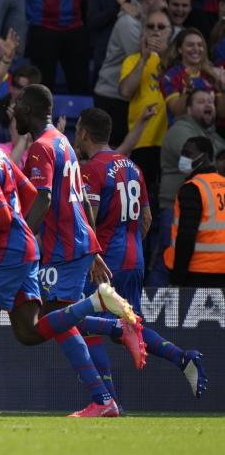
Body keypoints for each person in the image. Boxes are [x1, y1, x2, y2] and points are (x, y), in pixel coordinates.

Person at [0, 105, 140, 420]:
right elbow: (30, 192)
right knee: (28, 333)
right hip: (24, 249)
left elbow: (3, 214)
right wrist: (20, 228)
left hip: (8, 253)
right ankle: (101, 312)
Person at [13, 84, 147, 397]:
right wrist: (94, 249)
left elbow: (43, 198)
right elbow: (84, 202)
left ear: (29, 110)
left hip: (63, 247)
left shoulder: (40, 147)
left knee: (47, 319)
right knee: (56, 320)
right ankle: (103, 399)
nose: (13, 111)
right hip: (78, 244)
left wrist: (22, 239)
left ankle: (111, 321)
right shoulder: (62, 142)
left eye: (17, 105)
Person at [76, 109, 208, 400]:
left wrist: (92, 254)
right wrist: (131, 243)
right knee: (132, 327)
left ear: (83, 132)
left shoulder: (91, 169)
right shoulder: (133, 167)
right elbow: (147, 219)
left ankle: (106, 400)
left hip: (104, 261)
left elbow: (89, 220)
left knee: (82, 323)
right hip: (133, 260)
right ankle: (182, 357)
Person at [165, 135, 225, 290]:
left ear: (204, 156)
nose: (183, 158)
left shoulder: (193, 188)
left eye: (188, 154)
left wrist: (177, 278)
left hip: (198, 272)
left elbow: (186, 236)